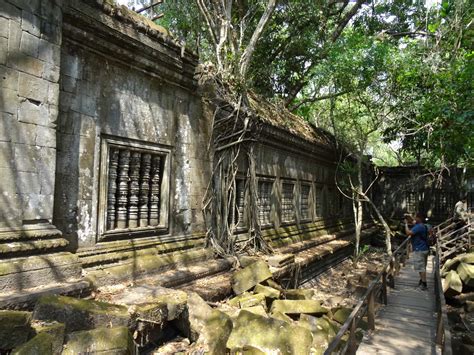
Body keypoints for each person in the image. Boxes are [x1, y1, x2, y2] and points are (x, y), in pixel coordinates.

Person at [405, 212, 429, 290]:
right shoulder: (424, 225)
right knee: (422, 267)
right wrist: (409, 217)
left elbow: (408, 233)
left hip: (419, 249)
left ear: (420, 218)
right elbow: (412, 221)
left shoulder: (419, 226)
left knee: (420, 268)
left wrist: (406, 225)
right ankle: (422, 281)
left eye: (416, 217)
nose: (415, 218)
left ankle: (424, 284)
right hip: (425, 248)